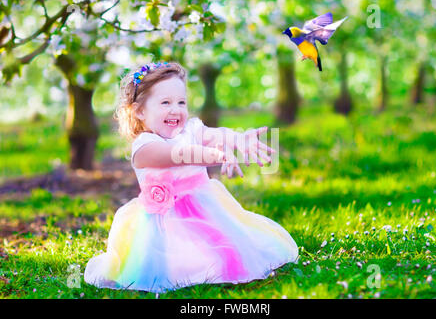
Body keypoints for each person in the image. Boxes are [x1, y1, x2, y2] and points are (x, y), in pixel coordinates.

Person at [84, 61, 299, 293]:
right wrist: (214, 155)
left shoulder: (190, 130)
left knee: (231, 249)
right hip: (165, 222)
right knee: (179, 263)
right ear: (139, 111)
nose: (175, 109)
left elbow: (215, 134)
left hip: (205, 207)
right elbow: (179, 154)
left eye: (181, 102)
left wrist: (237, 139)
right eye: (165, 102)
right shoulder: (145, 147)